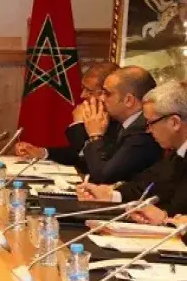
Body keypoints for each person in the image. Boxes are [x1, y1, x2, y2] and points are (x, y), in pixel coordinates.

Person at [78, 80, 187, 224]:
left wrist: (166, 219)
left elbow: (176, 209)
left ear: (174, 122)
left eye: (150, 123)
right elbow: (145, 185)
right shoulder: (176, 154)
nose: (148, 130)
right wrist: (110, 195)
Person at [15, 62, 120, 167]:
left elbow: (87, 162)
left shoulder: (122, 124)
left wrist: (78, 124)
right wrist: (42, 152)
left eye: (89, 91)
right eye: (83, 88)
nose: (82, 95)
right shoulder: (102, 116)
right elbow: (76, 154)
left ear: (105, 93)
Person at [73, 66, 162, 183]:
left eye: (107, 93)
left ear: (128, 100)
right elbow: (89, 165)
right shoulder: (122, 123)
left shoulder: (142, 133)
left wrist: (95, 136)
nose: (102, 98)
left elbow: (104, 176)